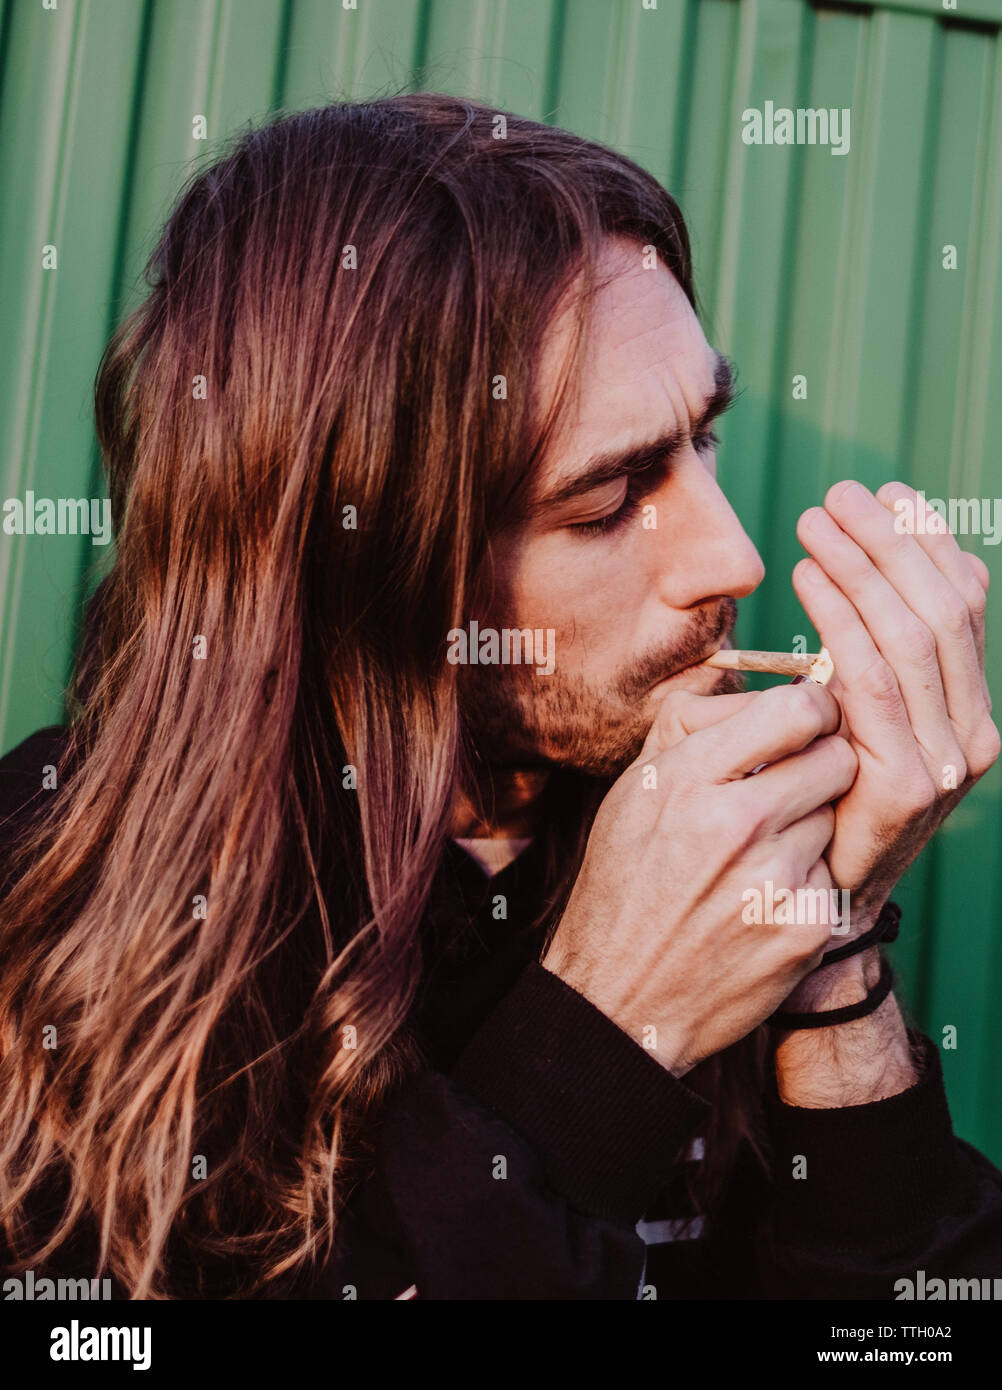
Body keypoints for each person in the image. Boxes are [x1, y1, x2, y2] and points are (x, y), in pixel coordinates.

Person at [1, 94, 1000, 1301]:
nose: (734, 558)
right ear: (365, 555)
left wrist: (827, 933)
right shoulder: (56, 907)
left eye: (703, 439)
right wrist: (603, 1040)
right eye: (609, 496)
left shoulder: (694, 838)